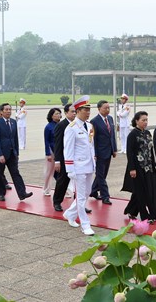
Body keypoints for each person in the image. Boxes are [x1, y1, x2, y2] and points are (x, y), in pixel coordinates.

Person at [122, 111, 156, 222]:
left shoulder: (147, 133)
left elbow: (151, 150)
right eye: (143, 120)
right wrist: (132, 169)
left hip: (149, 167)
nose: (145, 122)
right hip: (138, 168)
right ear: (137, 121)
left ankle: (131, 210)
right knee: (141, 192)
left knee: (148, 190)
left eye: (146, 120)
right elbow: (130, 153)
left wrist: (155, 163)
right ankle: (145, 216)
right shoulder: (132, 135)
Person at [63, 95, 96, 236]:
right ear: (77, 111)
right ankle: (85, 224)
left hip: (89, 164)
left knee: (87, 192)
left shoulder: (89, 126)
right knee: (81, 197)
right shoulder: (71, 128)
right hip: (78, 166)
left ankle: (70, 213)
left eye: (89, 109)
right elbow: (68, 150)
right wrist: (70, 169)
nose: (88, 112)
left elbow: (91, 145)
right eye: (85, 110)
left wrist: (94, 161)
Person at [0, 103, 33, 202]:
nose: (9, 111)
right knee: (0, 174)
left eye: (10, 109)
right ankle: (1, 194)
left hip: (12, 153)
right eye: (6, 109)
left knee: (16, 173)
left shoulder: (14, 122)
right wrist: (0, 154)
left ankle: (22, 193)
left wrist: (17, 153)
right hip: (0, 154)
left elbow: (15, 139)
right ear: (1, 112)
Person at [89, 100, 117, 205]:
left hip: (109, 151)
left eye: (109, 107)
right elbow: (93, 139)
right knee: (100, 175)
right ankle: (105, 196)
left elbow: (112, 135)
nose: (108, 110)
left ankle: (93, 190)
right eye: (105, 108)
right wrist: (94, 154)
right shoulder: (94, 122)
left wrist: (114, 149)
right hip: (99, 153)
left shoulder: (110, 118)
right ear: (99, 109)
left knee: (103, 174)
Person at [53, 103, 79, 212]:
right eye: (72, 111)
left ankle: (78, 204)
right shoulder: (61, 125)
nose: (74, 113)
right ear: (66, 113)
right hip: (65, 159)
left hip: (77, 158)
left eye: (75, 111)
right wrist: (57, 161)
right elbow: (58, 145)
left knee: (79, 183)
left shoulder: (78, 124)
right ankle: (57, 202)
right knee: (62, 181)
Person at [43, 107, 62, 196]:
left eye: (59, 113)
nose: (59, 115)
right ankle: (46, 189)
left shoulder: (61, 125)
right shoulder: (48, 127)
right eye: (56, 114)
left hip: (60, 150)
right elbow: (46, 141)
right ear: (51, 116)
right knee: (49, 171)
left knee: (60, 171)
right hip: (51, 151)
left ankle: (64, 189)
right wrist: (48, 154)